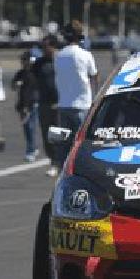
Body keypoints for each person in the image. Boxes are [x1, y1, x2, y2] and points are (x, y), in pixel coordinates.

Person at [53, 27, 99, 171]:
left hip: (64, 103)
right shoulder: (85, 55)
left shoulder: (59, 55)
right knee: (82, 141)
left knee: (64, 142)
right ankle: (82, 168)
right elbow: (94, 76)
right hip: (82, 103)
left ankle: (63, 168)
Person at [32, 35, 62, 176]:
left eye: (46, 47)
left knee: (57, 135)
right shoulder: (39, 64)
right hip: (44, 103)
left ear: (53, 46)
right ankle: (53, 160)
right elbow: (32, 81)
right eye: (42, 47)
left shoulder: (62, 61)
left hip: (59, 103)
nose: (43, 50)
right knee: (46, 135)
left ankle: (58, 162)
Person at [12, 51, 40, 162]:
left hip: (32, 104)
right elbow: (13, 85)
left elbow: (32, 91)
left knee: (30, 127)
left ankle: (31, 151)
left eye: (24, 60)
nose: (23, 62)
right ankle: (32, 148)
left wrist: (27, 106)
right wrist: (16, 84)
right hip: (22, 104)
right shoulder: (21, 73)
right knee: (27, 128)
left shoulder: (34, 73)